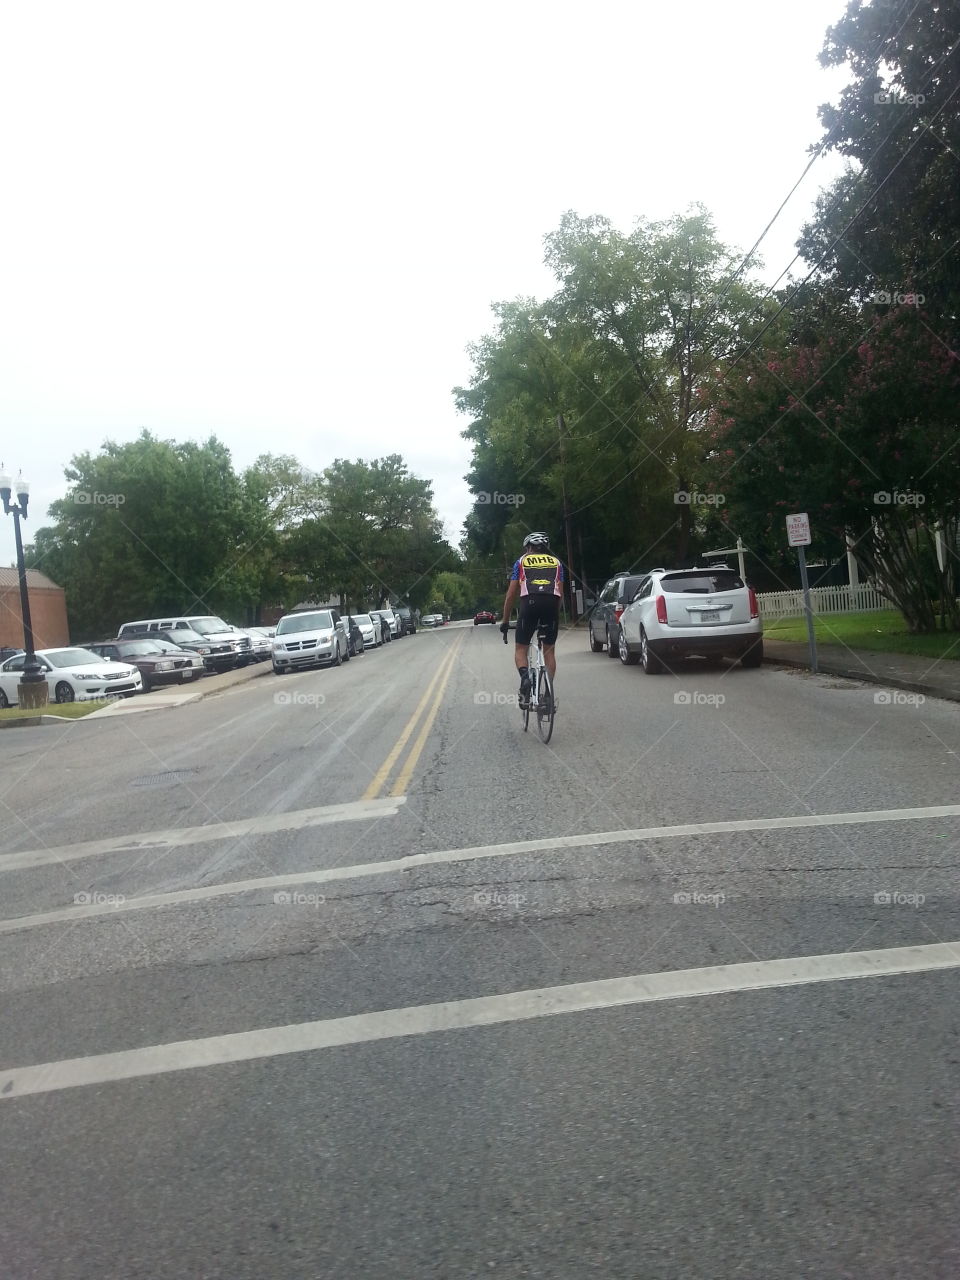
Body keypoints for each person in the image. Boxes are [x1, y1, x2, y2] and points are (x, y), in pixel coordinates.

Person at [499, 532, 563, 708]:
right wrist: (554, 617)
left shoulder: (521, 562)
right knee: (549, 651)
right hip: (551, 605)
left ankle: (526, 679)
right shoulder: (556, 563)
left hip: (530, 604)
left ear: (528, 548)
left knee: (521, 649)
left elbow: (511, 594)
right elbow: (560, 593)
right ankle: (548, 696)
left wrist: (505, 621)